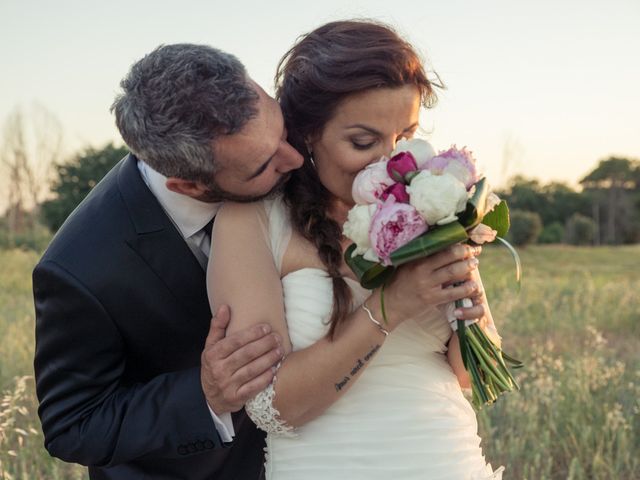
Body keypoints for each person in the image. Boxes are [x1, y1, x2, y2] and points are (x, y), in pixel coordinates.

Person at [208, 20, 505, 479]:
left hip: (445, 460)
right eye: (362, 142)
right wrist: (391, 307)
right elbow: (272, 408)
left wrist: (468, 294)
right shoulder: (254, 221)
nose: (391, 160)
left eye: (405, 137)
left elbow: (468, 376)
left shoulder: (427, 202)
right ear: (308, 134)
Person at [32, 44, 302, 480]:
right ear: (189, 187)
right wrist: (203, 394)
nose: (295, 159)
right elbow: (72, 425)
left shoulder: (284, 158)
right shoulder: (79, 269)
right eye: (263, 167)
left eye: (284, 132)